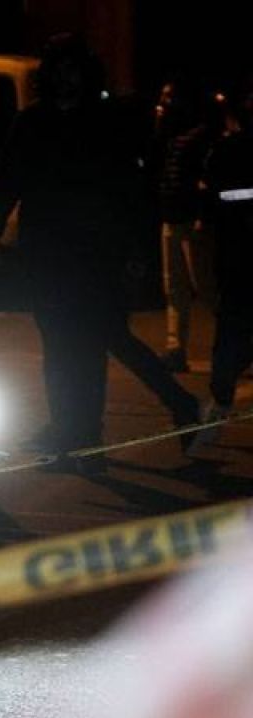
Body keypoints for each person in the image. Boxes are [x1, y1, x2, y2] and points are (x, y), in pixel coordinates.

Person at [0, 33, 197, 468]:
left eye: (73, 69)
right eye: (60, 69)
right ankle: (72, 432)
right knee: (63, 344)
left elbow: (128, 190)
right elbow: (7, 183)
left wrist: (134, 250)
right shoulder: (33, 122)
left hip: (96, 254)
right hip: (47, 254)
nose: (66, 78)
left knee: (99, 341)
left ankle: (88, 435)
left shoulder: (104, 122)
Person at [192, 76, 253, 450]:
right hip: (237, 257)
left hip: (235, 258)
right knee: (231, 339)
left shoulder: (227, 151)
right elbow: (214, 201)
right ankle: (218, 405)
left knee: (231, 339)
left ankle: (218, 405)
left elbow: (212, 202)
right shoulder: (227, 151)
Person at [153, 74, 219, 373]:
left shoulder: (199, 137)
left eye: (168, 97)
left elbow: (208, 183)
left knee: (205, 287)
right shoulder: (171, 137)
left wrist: (203, 215)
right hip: (172, 219)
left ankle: (237, 344)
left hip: (193, 222)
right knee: (175, 288)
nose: (162, 104)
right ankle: (175, 349)